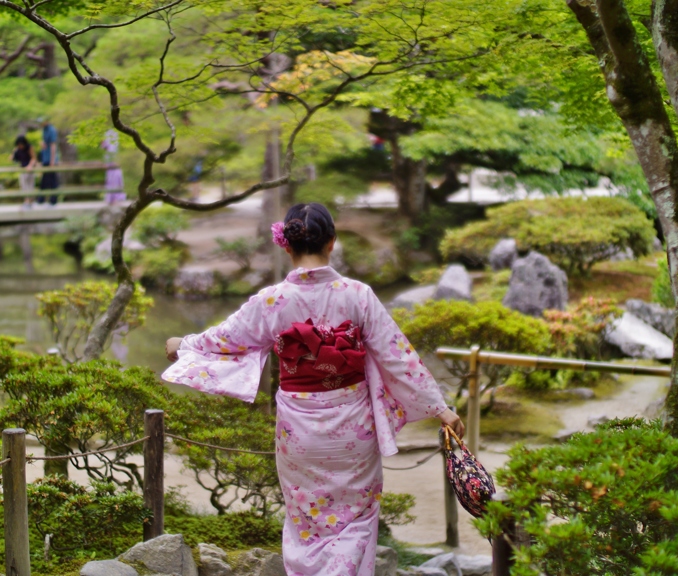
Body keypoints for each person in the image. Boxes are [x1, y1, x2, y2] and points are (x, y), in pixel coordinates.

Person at [163, 203, 464, 576]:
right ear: (332, 242)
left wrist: (183, 344)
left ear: (285, 246)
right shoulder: (358, 294)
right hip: (353, 428)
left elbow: (225, 339)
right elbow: (398, 357)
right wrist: (441, 409)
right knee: (357, 519)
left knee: (306, 521)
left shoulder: (271, 300)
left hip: (298, 432)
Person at [37, 118, 60, 205]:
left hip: (51, 160)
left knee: (52, 180)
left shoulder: (51, 130)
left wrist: (52, 161)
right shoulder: (44, 130)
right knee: (45, 180)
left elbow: (53, 146)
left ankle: (52, 200)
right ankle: (41, 199)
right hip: (45, 158)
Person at [101, 129, 126, 205]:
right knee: (113, 179)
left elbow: (104, 146)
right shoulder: (112, 133)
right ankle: (113, 199)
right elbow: (104, 146)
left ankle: (115, 198)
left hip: (113, 160)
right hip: (112, 160)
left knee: (114, 179)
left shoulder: (112, 134)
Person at [11, 136, 37, 207]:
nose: (20, 146)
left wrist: (30, 166)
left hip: (29, 168)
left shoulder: (29, 147)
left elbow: (34, 158)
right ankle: (26, 201)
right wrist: (14, 151)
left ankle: (30, 201)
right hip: (22, 169)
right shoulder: (17, 149)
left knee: (30, 185)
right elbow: (12, 158)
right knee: (23, 185)